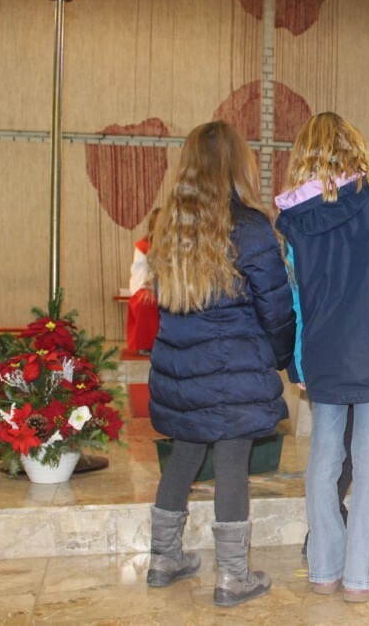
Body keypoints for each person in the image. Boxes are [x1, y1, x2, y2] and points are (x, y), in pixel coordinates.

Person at [274, 112, 369, 602]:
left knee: (323, 460)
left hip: (323, 356)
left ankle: (324, 569)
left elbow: (296, 299)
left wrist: (299, 362)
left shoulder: (294, 220)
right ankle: (363, 575)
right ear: (356, 149)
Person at [146, 121, 296, 607]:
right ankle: (233, 576)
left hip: (181, 370)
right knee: (232, 462)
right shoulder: (249, 226)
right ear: (237, 164)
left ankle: (163, 558)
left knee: (184, 457)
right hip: (233, 370)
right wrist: (281, 356)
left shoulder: (169, 227)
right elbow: (275, 305)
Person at [126, 207, 160, 354]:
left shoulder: (175, 244)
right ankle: (147, 345)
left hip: (169, 287)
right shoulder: (143, 247)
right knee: (146, 301)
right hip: (147, 286)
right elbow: (139, 273)